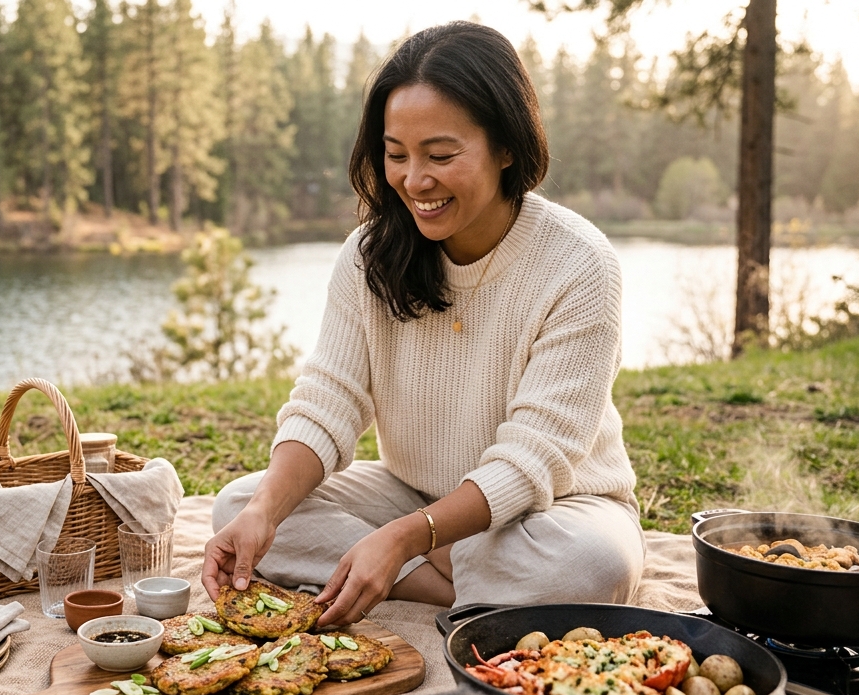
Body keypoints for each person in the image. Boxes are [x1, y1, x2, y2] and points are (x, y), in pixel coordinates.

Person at [201, 21, 645, 628]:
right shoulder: (367, 256)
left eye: (440, 155)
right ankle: (453, 588)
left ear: (506, 146)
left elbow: (532, 460)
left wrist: (409, 540)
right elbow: (327, 401)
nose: (414, 180)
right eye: (395, 154)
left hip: (553, 509)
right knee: (240, 506)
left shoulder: (578, 264)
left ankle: (404, 572)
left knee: (593, 566)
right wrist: (265, 510)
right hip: (410, 494)